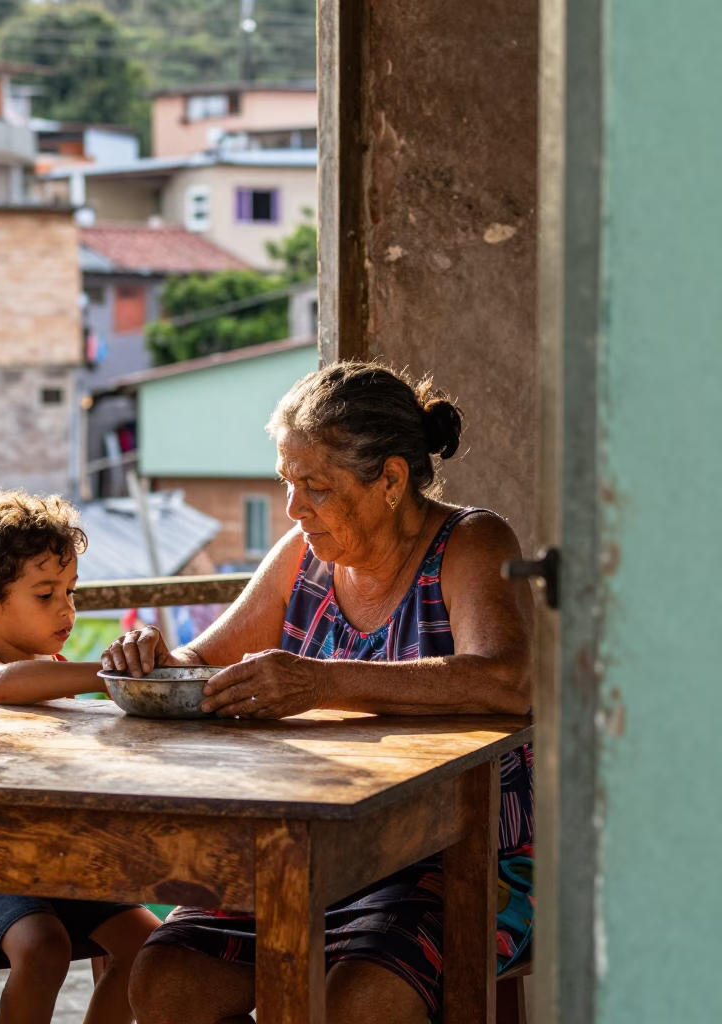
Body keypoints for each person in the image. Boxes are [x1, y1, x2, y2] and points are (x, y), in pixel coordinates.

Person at [103, 362, 535, 1024]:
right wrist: (156, 661)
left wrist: (322, 679)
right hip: (309, 853)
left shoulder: (470, 543)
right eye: (287, 482)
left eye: (316, 487)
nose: (293, 507)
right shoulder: (301, 559)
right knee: (164, 979)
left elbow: (506, 680)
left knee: (355, 1004)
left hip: (456, 858)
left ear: (390, 480)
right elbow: (202, 660)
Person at [0, 489, 161, 1024]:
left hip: (55, 862)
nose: (67, 608)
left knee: (153, 946)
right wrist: (110, 677)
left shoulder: (52, 667)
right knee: (44, 948)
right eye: (45, 594)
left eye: (71, 591)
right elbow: (9, 686)